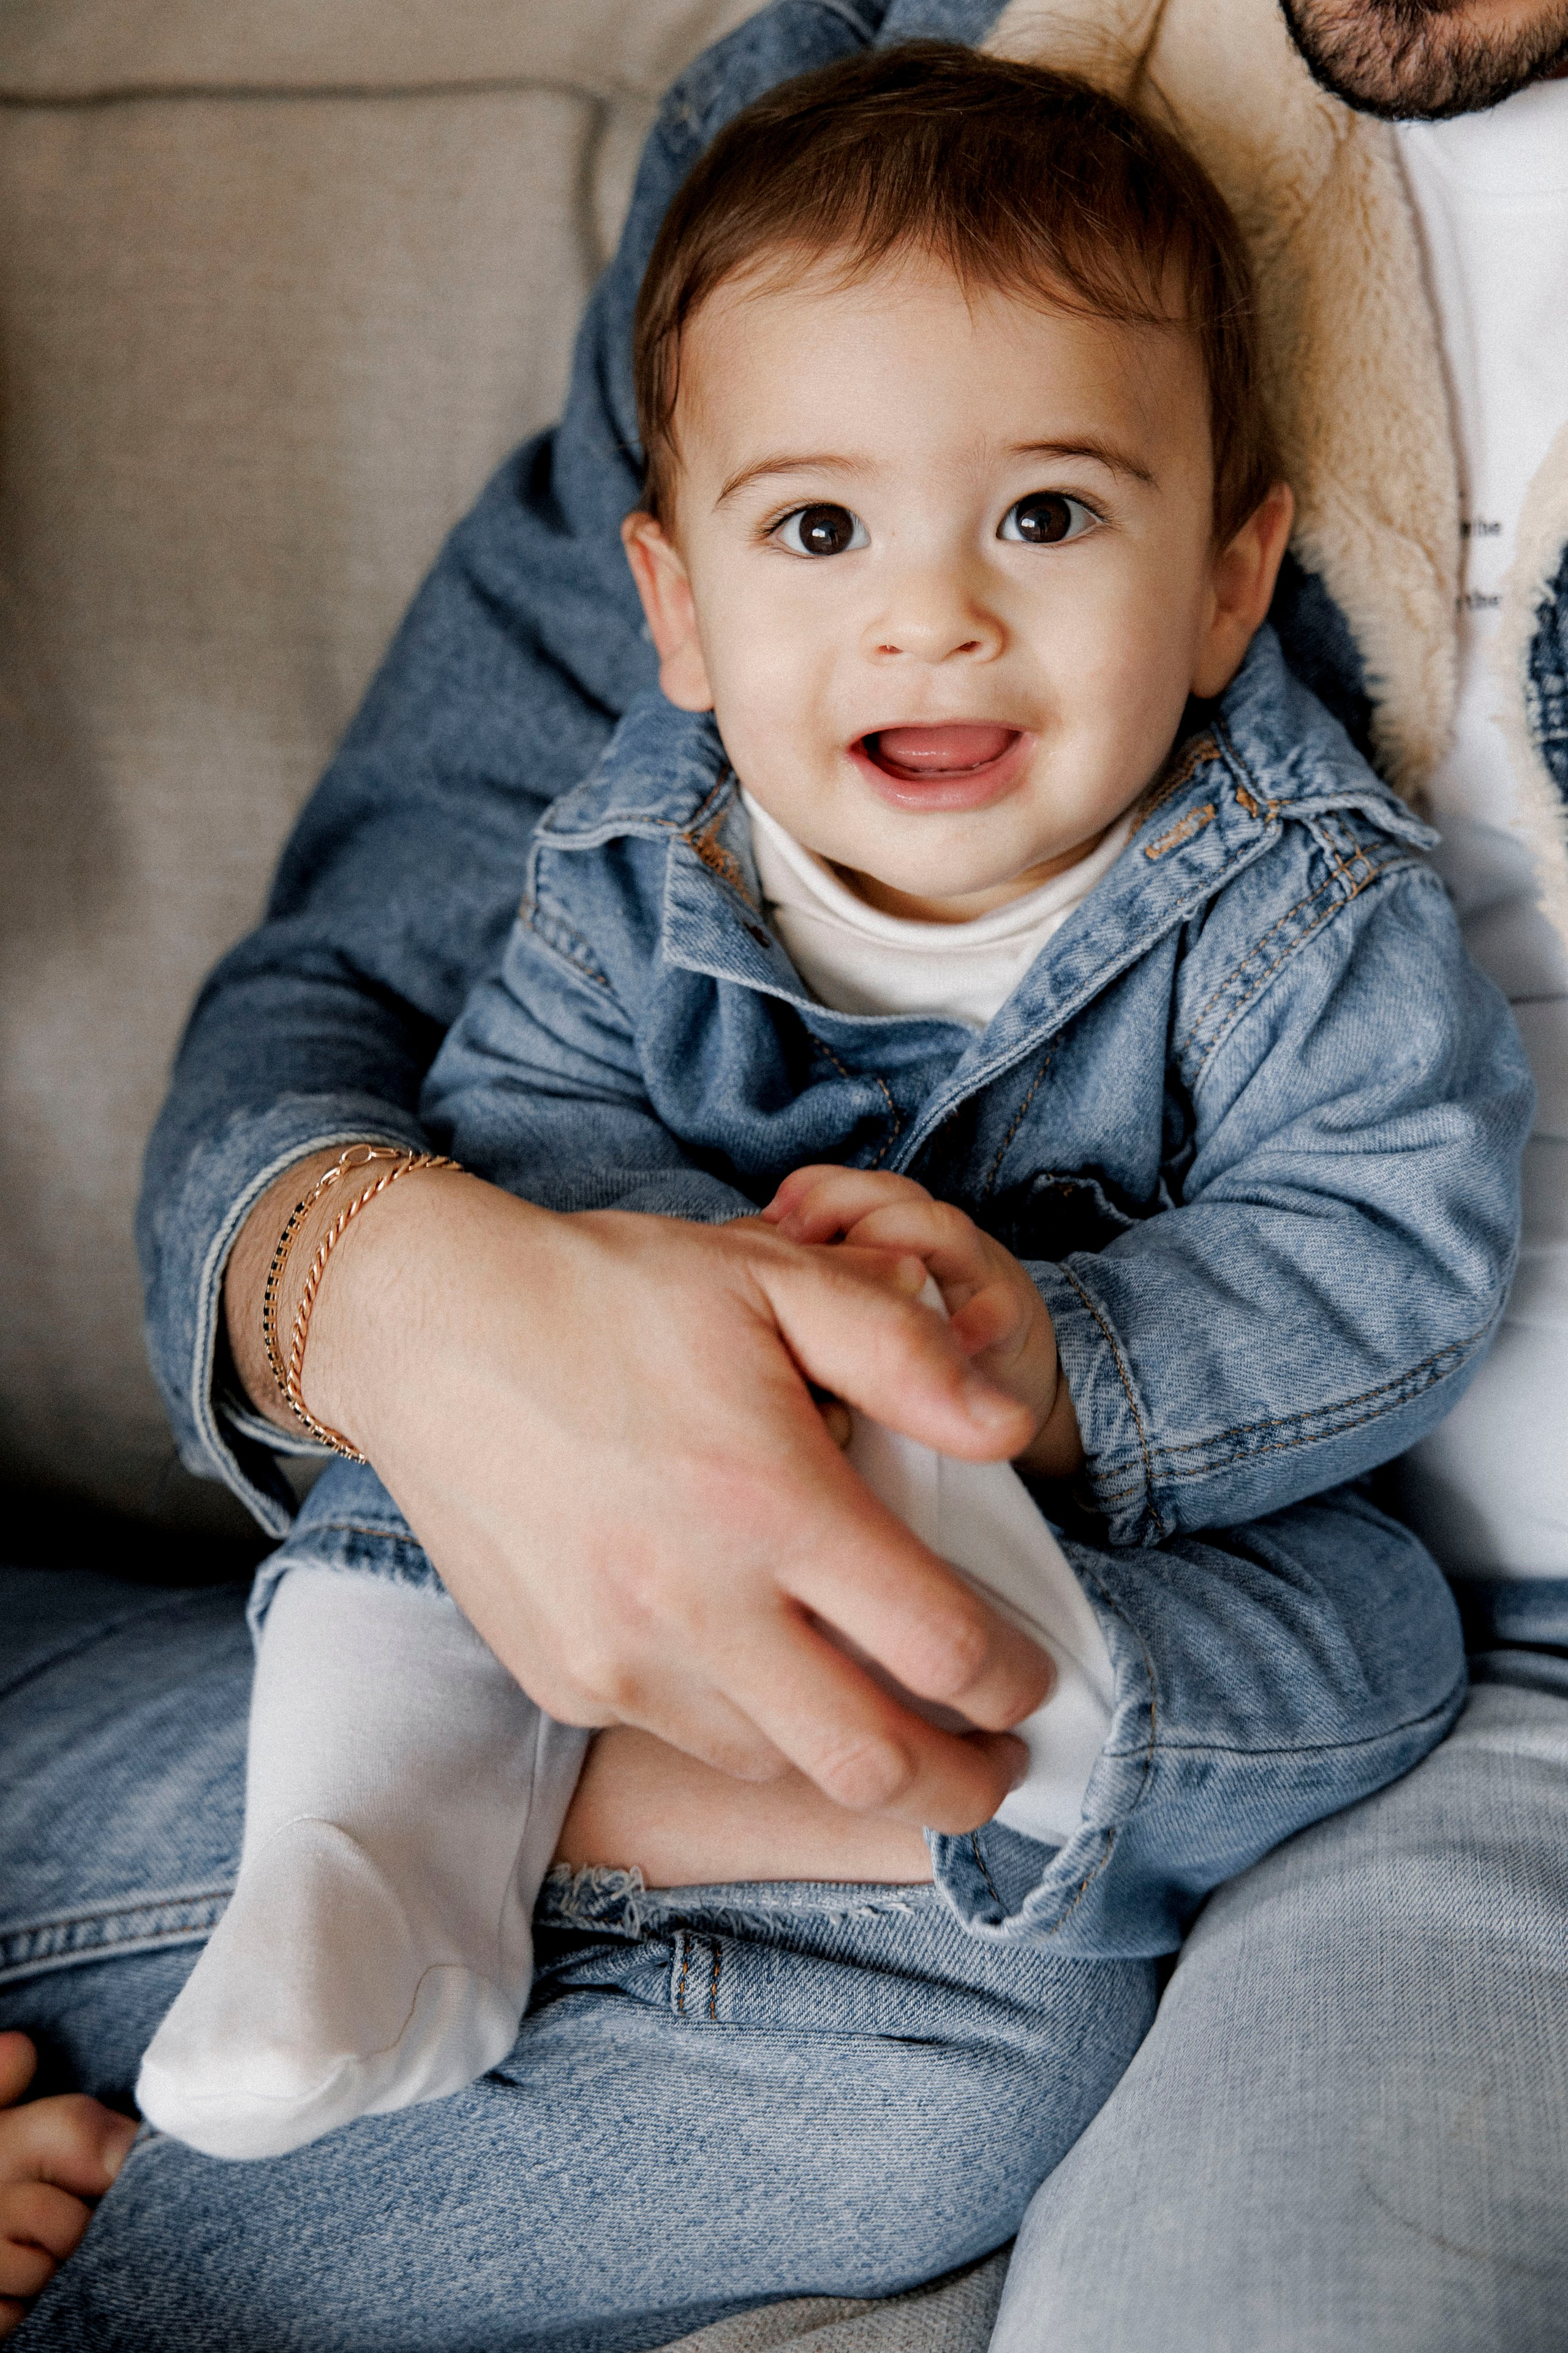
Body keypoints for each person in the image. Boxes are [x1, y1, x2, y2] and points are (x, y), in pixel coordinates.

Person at [1, 0, 1566, 2344]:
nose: (927, 613)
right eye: (822, 529)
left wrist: (1056, 1364)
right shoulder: (893, 115)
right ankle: (378, 1838)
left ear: (1232, 584)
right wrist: (481, 1314)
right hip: (570, 1550)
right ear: (679, 605)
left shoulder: (1288, 901)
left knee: (1070, 1984)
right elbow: (396, 1057)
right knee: (394, 1515)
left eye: (1046, 516)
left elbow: (1381, 1223)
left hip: (1162, 1589)